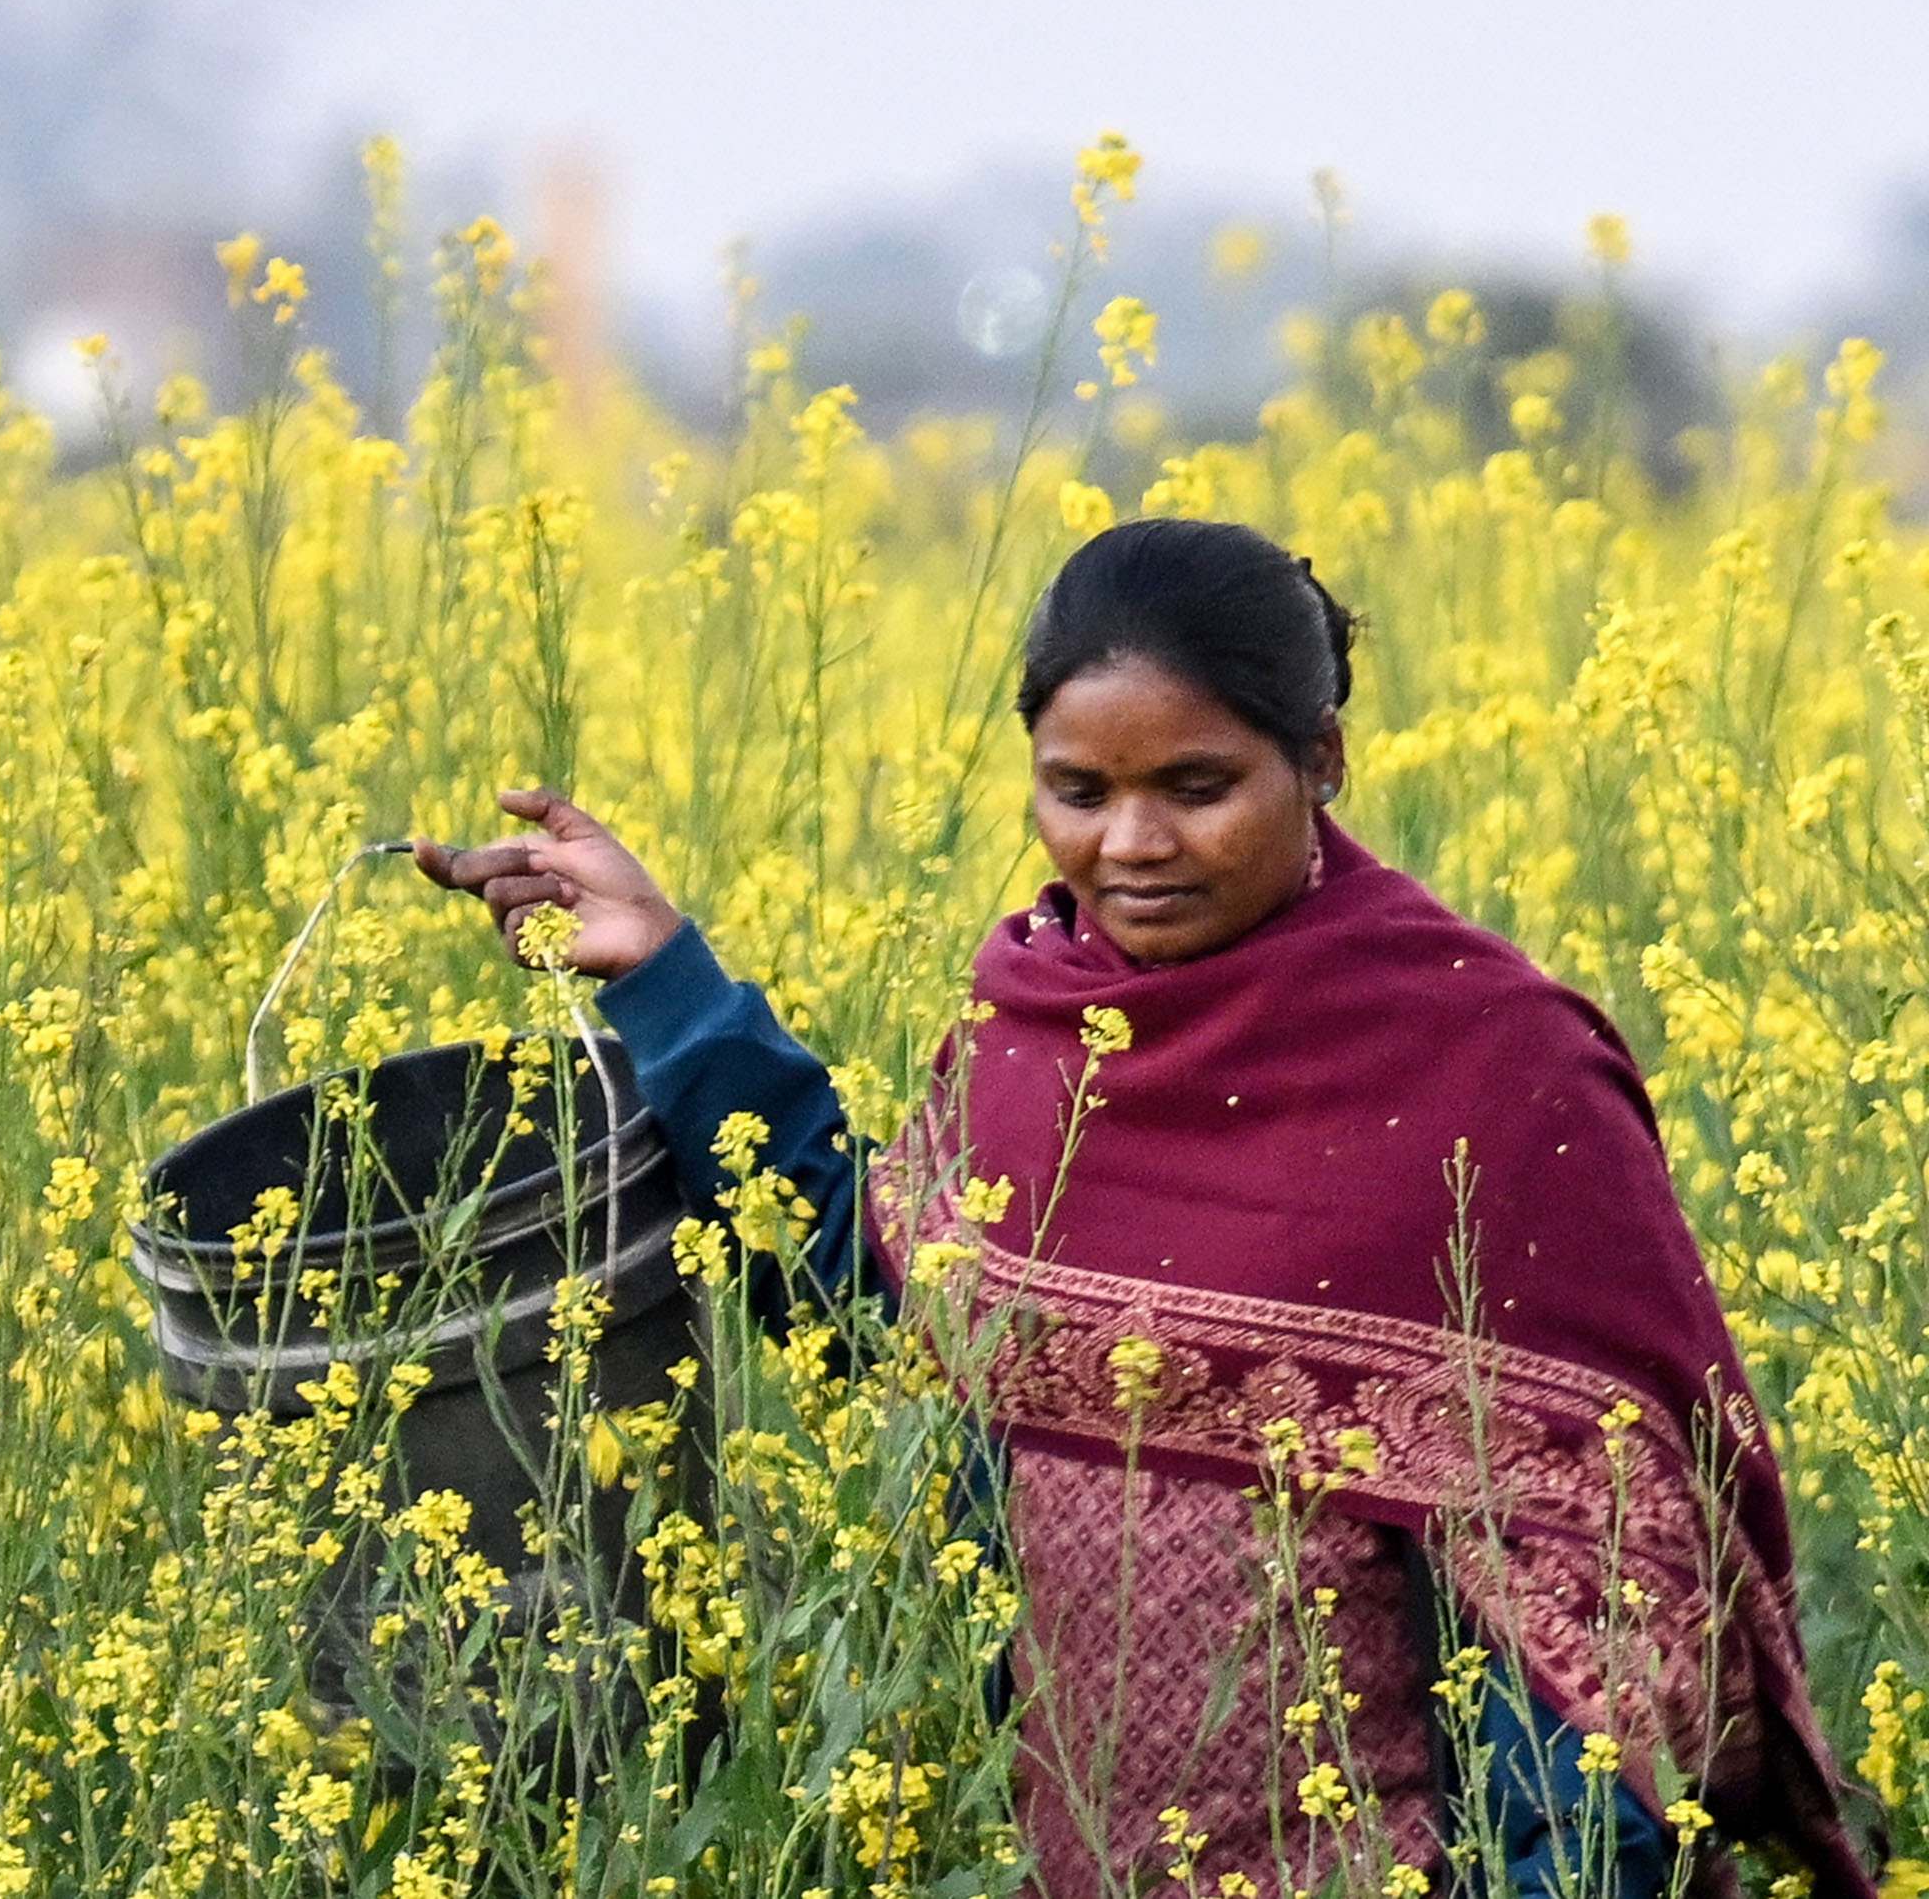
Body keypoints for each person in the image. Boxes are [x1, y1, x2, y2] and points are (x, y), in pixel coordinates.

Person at [413, 518, 1872, 1899]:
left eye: (1196, 787)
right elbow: (891, 1322)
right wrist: (664, 973)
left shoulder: (1491, 1064)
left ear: (1321, 761)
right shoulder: (1032, 1034)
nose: (1132, 844)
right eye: (1079, 792)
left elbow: (1587, 1607)